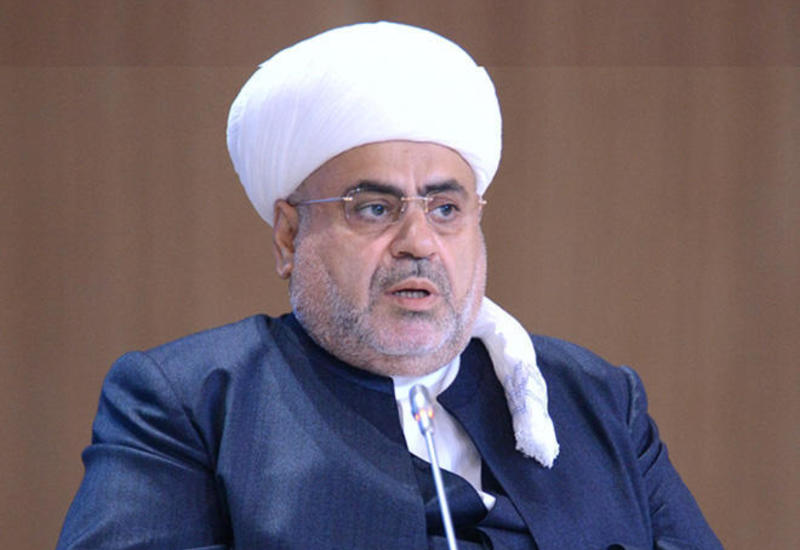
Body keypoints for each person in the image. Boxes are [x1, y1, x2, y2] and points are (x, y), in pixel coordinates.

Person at [57, 21, 722, 550]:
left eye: (446, 208)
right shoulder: (192, 404)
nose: (418, 241)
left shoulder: (598, 399)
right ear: (288, 236)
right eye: (374, 208)